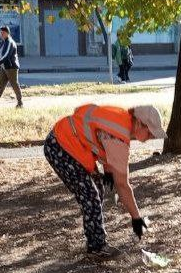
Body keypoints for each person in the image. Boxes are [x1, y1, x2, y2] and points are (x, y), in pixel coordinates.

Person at [43, 104, 167, 260]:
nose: (152, 137)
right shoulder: (119, 136)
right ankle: (96, 248)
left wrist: (108, 173)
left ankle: (94, 240)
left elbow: (102, 141)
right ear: (139, 123)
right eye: (150, 132)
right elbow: (123, 185)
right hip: (61, 147)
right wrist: (136, 218)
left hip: (68, 142)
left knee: (96, 191)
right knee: (90, 196)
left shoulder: (122, 122)